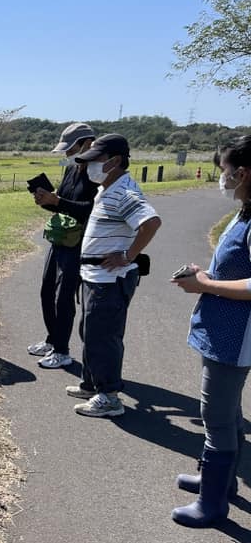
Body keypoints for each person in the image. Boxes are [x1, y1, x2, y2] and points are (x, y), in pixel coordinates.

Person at [169, 135, 251, 527]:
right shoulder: (245, 210)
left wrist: (204, 285)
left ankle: (212, 503)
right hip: (222, 331)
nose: (222, 177)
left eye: (224, 170)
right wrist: (205, 275)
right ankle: (220, 482)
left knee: (216, 415)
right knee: (228, 411)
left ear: (243, 172)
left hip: (236, 337)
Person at [67, 134, 161, 417]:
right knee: (90, 331)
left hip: (110, 280)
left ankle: (108, 396)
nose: (89, 167)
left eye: (95, 161)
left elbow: (151, 222)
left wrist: (128, 255)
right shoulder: (107, 188)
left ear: (115, 161)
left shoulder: (125, 192)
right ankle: (91, 383)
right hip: (95, 276)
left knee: (103, 336)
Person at [28, 122, 99, 369]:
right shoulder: (71, 170)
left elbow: (90, 210)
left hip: (79, 243)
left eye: (71, 148)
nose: (68, 154)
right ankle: (52, 339)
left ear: (87, 143)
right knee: (46, 291)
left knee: (64, 297)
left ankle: (62, 350)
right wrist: (46, 201)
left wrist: (57, 201)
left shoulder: (97, 174)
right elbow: (63, 203)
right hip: (60, 238)